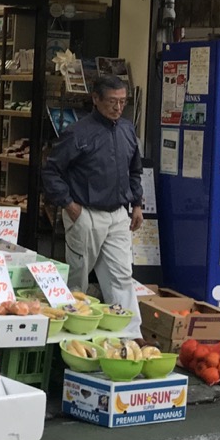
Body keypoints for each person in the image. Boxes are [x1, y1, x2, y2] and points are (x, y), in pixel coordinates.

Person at [41, 74, 143, 307]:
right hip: (84, 212)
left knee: (122, 275)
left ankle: (129, 334)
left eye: (123, 101)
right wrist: (70, 205)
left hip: (119, 214)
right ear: (95, 99)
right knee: (79, 277)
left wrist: (137, 204)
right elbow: (51, 170)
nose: (118, 107)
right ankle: (71, 327)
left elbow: (135, 170)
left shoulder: (127, 130)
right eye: (112, 101)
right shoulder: (77, 132)